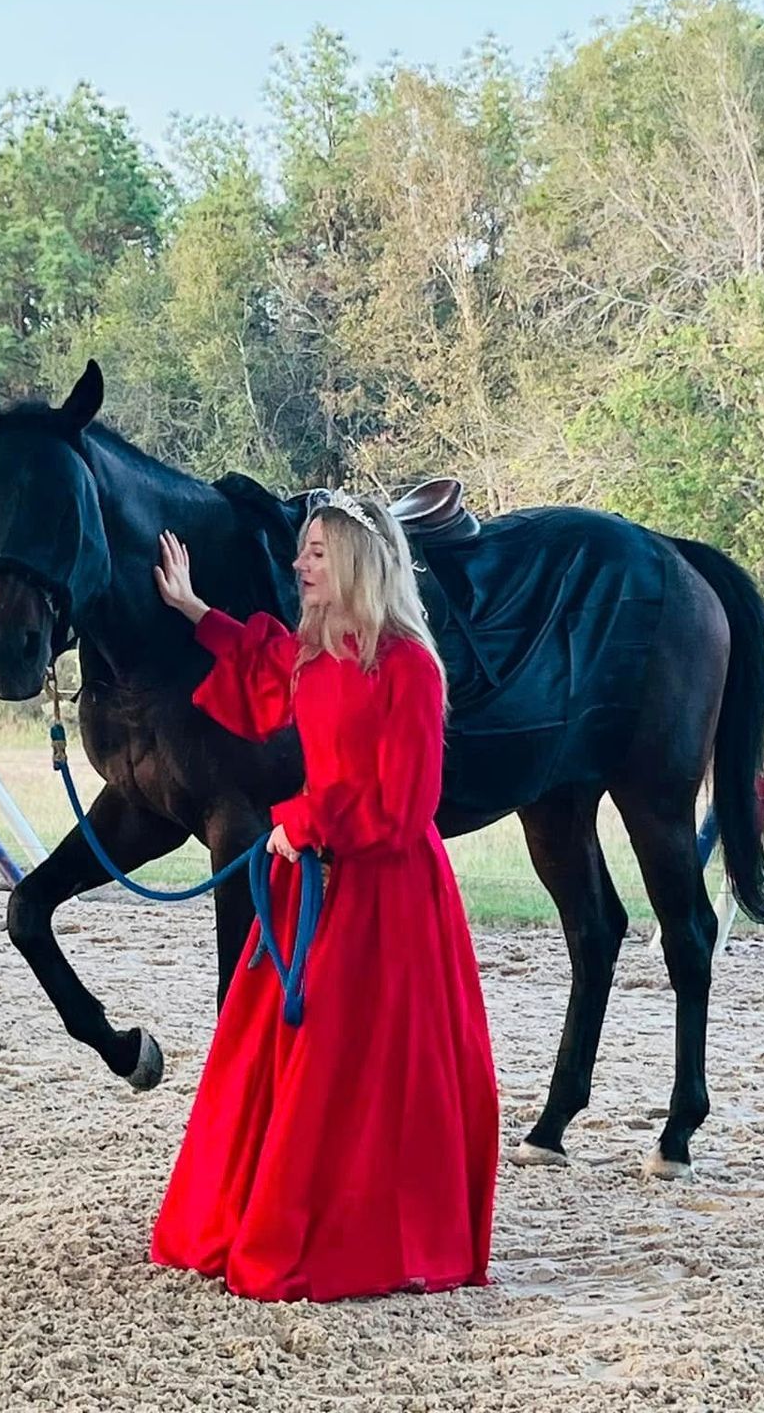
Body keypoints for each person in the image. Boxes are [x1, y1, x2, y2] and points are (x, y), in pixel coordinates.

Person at [147, 491, 499, 1303]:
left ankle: (358, 1234)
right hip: (310, 872)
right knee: (279, 1054)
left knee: (359, 1066)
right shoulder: (313, 653)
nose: (300, 566)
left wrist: (304, 822)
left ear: (354, 561)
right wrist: (194, 606)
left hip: (385, 893)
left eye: (314, 552)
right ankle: (263, 1211)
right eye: (301, 552)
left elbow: (405, 806)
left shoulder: (407, 665)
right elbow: (259, 663)